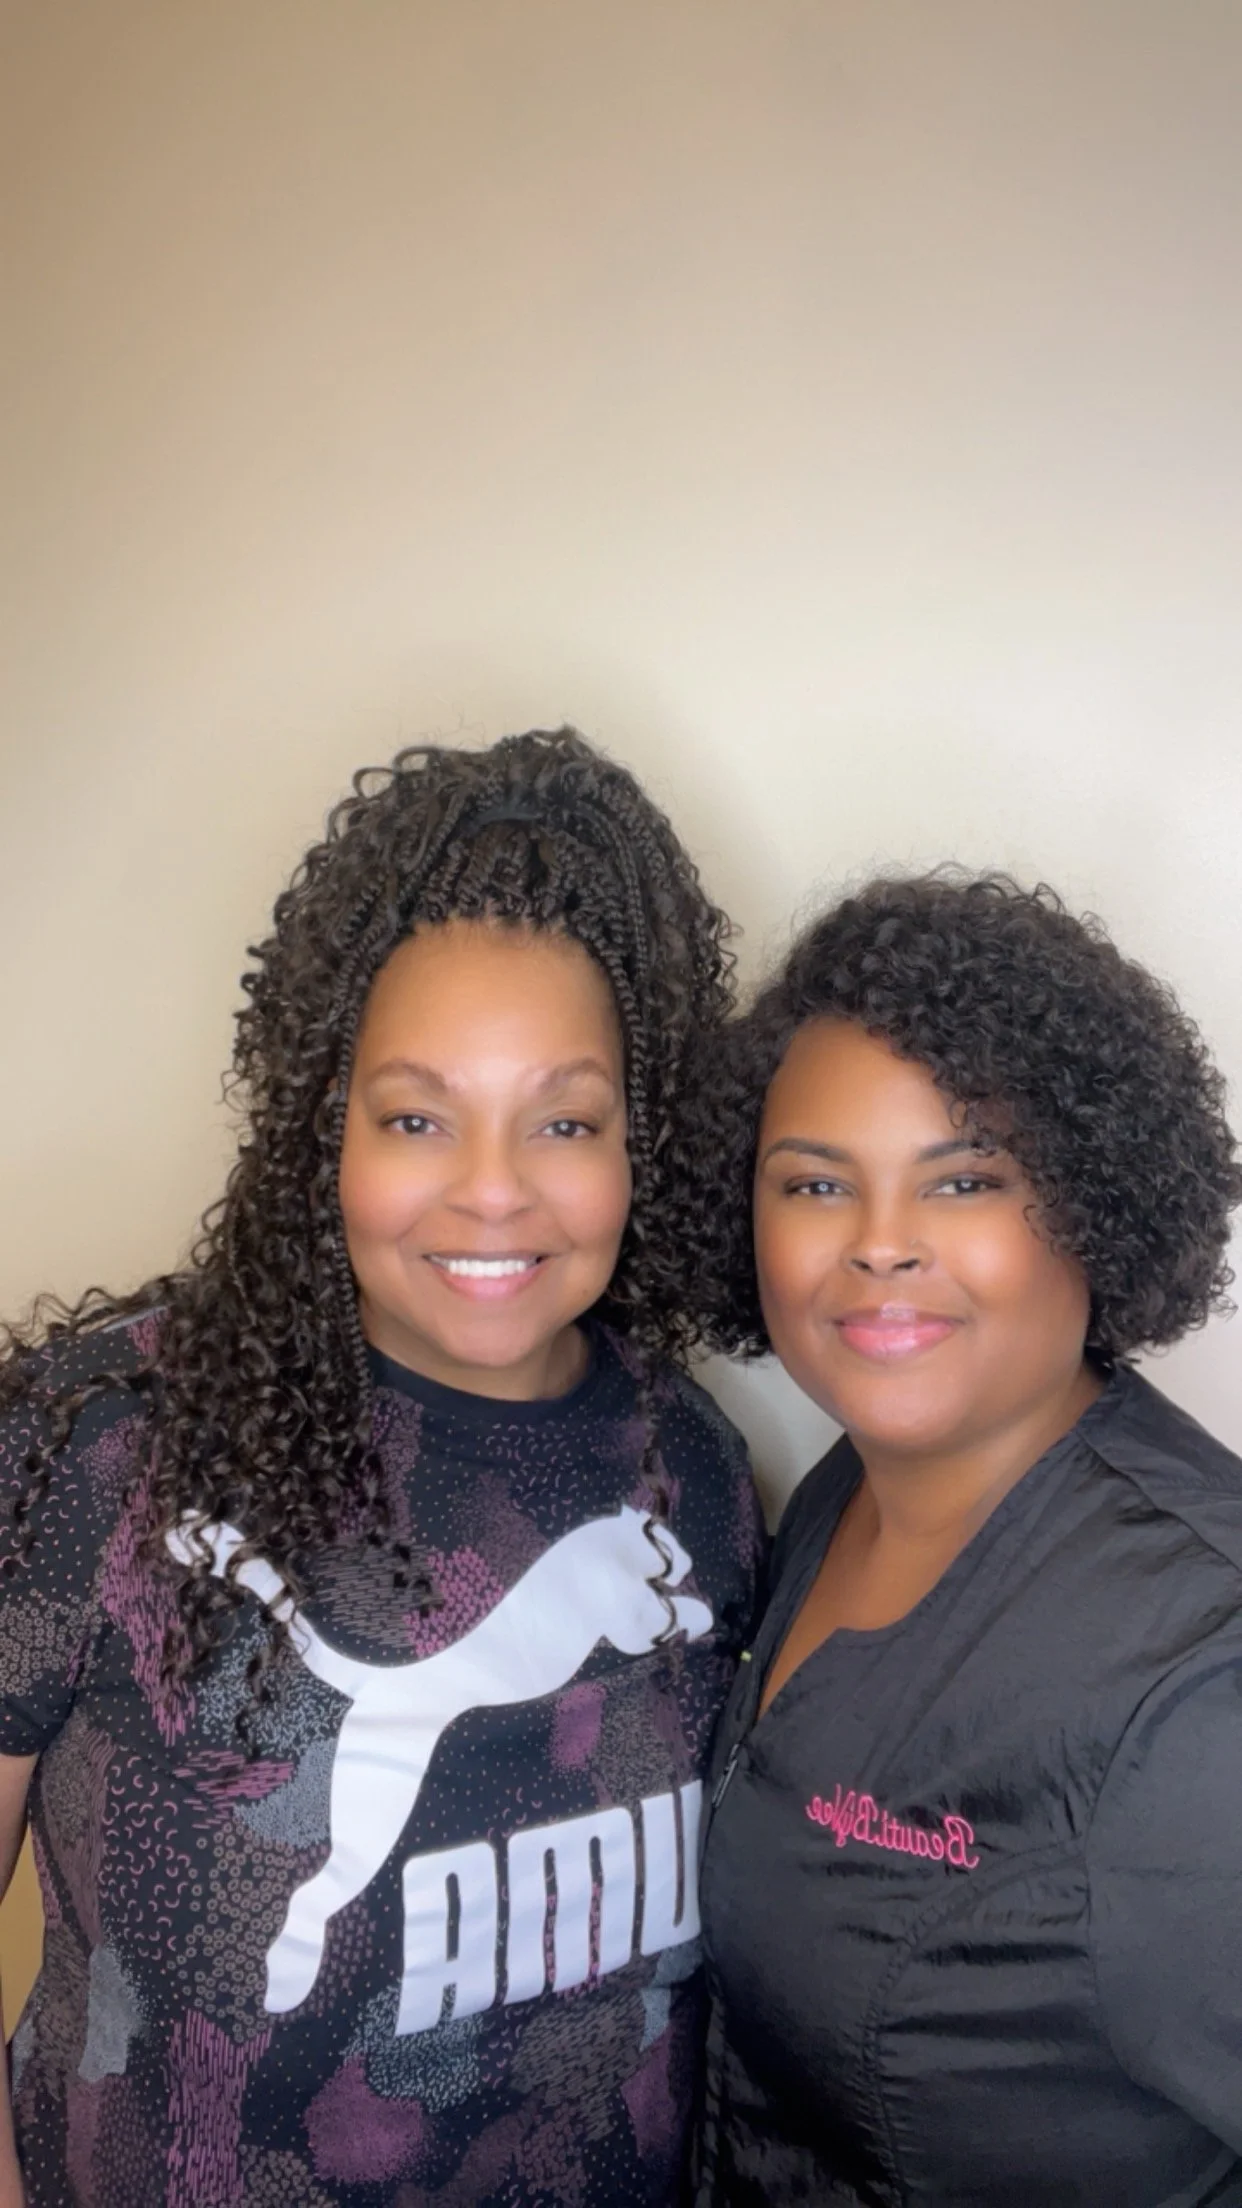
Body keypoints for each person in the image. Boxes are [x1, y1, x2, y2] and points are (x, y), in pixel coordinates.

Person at [0, 727, 763, 2208]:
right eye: (416, 1117)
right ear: (321, 1129)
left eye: (564, 1120)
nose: (492, 1186)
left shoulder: (696, 1472)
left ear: (638, 1145)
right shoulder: (106, 1443)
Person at [692, 871, 1242, 2208]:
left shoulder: (1199, 1684)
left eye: (965, 1180)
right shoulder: (843, 1492)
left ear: (1095, 1203)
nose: (877, 1247)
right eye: (816, 1184)